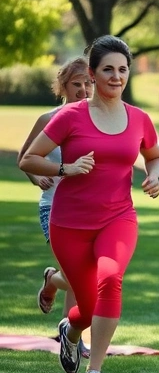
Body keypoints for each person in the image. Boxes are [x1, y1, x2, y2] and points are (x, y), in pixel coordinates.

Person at [19, 36, 159, 373]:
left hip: (118, 217)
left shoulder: (139, 119)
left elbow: (155, 155)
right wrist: (65, 168)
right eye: (108, 70)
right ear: (94, 74)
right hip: (69, 224)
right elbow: (28, 159)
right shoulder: (70, 116)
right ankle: (70, 330)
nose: (116, 77)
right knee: (86, 308)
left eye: (123, 70)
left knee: (111, 280)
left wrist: (154, 174)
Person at [20, 58, 93, 322]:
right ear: (62, 86)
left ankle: (69, 332)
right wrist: (37, 178)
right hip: (53, 207)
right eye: (76, 84)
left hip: (88, 209)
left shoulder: (98, 121)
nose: (83, 90)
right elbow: (25, 158)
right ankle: (54, 283)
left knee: (82, 274)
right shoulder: (48, 119)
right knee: (76, 274)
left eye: (89, 83)